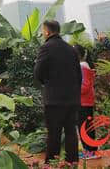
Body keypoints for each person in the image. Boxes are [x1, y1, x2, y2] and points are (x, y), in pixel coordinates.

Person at [34, 20, 82, 164]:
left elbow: (38, 73)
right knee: (71, 133)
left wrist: (48, 84)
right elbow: (79, 76)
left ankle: (51, 165)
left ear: (47, 31)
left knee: (54, 134)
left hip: (54, 100)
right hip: (72, 99)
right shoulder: (71, 49)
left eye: (43, 31)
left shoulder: (46, 48)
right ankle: (72, 163)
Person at [73, 44, 99, 160]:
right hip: (83, 102)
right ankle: (90, 150)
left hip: (83, 103)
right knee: (86, 127)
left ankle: (90, 151)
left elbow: (85, 86)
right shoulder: (82, 66)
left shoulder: (82, 67)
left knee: (85, 128)